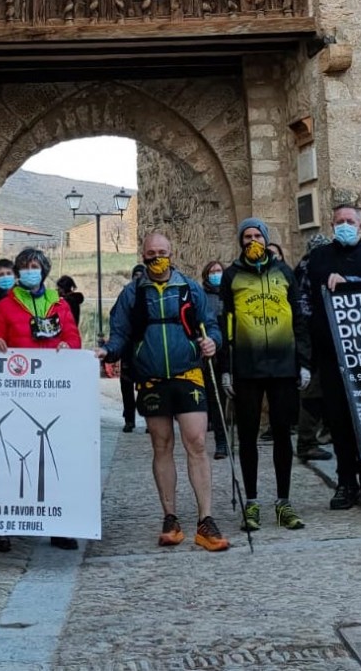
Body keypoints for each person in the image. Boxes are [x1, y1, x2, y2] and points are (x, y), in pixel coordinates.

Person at [98, 232, 229, 552]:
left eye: (163, 252)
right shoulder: (132, 294)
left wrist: (214, 342)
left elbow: (211, 326)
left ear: (172, 253)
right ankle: (170, 517)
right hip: (152, 379)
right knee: (162, 444)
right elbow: (120, 334)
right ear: (142, 255)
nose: (157, 257)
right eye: (151, 252)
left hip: (188, 373)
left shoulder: (189, 288)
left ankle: (205, 520)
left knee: (197, 441)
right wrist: (108, 352)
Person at [0, 247, 83, 552]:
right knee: (11, 460)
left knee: (51, 460)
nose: (30, 270)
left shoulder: (60, 305)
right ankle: (3, 525)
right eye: (25, 266)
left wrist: (68, 346)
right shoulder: (5, 306)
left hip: (52, 394)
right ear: (18, 272)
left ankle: (58, 526)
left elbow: (74, 339)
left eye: (35, 266)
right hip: (14, 394)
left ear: (44, 270)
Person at [219, 218, 309, 531]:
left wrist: (304, 362)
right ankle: (252, 502)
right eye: (247, 236)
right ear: (240, 241)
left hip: (283, 366)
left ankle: (283, 502)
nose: (253, 240)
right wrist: (226, 370)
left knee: (283, 433)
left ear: (266, 239)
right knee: (247, 435)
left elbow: (299, 319)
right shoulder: (231, 276)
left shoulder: (284, 272)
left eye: (258, 235)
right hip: (247, 368)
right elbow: (225, 325)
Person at [298, 205, 361, 510]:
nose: (345, 225)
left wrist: (348, 281)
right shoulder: (317, 258)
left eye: (350, 221)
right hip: (330, 353)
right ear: (332, 225)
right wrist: (316, 328)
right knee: (337, 419)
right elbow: (304, 297)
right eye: (340, 222)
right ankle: (346, 481)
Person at [294, 234, 333, 462]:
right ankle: (306, 442)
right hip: (313, 337)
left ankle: (318, 436)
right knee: (313, 391)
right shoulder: (309, 269)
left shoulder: (305, 267)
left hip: (317, 336)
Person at [199, 260, 230, 458]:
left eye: (219, 271)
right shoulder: (201, 297)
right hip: (212, 352)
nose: (216, 274)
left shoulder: (230, 294)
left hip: (231, 350)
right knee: (215, 396)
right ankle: (221, 442)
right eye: (212, 271)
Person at [119, 264, 147, 433]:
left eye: (140, 275)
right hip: (128, 346)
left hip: (145, 345)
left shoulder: (150, 294)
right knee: (127, 386)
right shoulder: (126, 294)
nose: (138, 278)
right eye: (135, 275)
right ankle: (129, 419)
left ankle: (150, 419)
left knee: (146, 386)